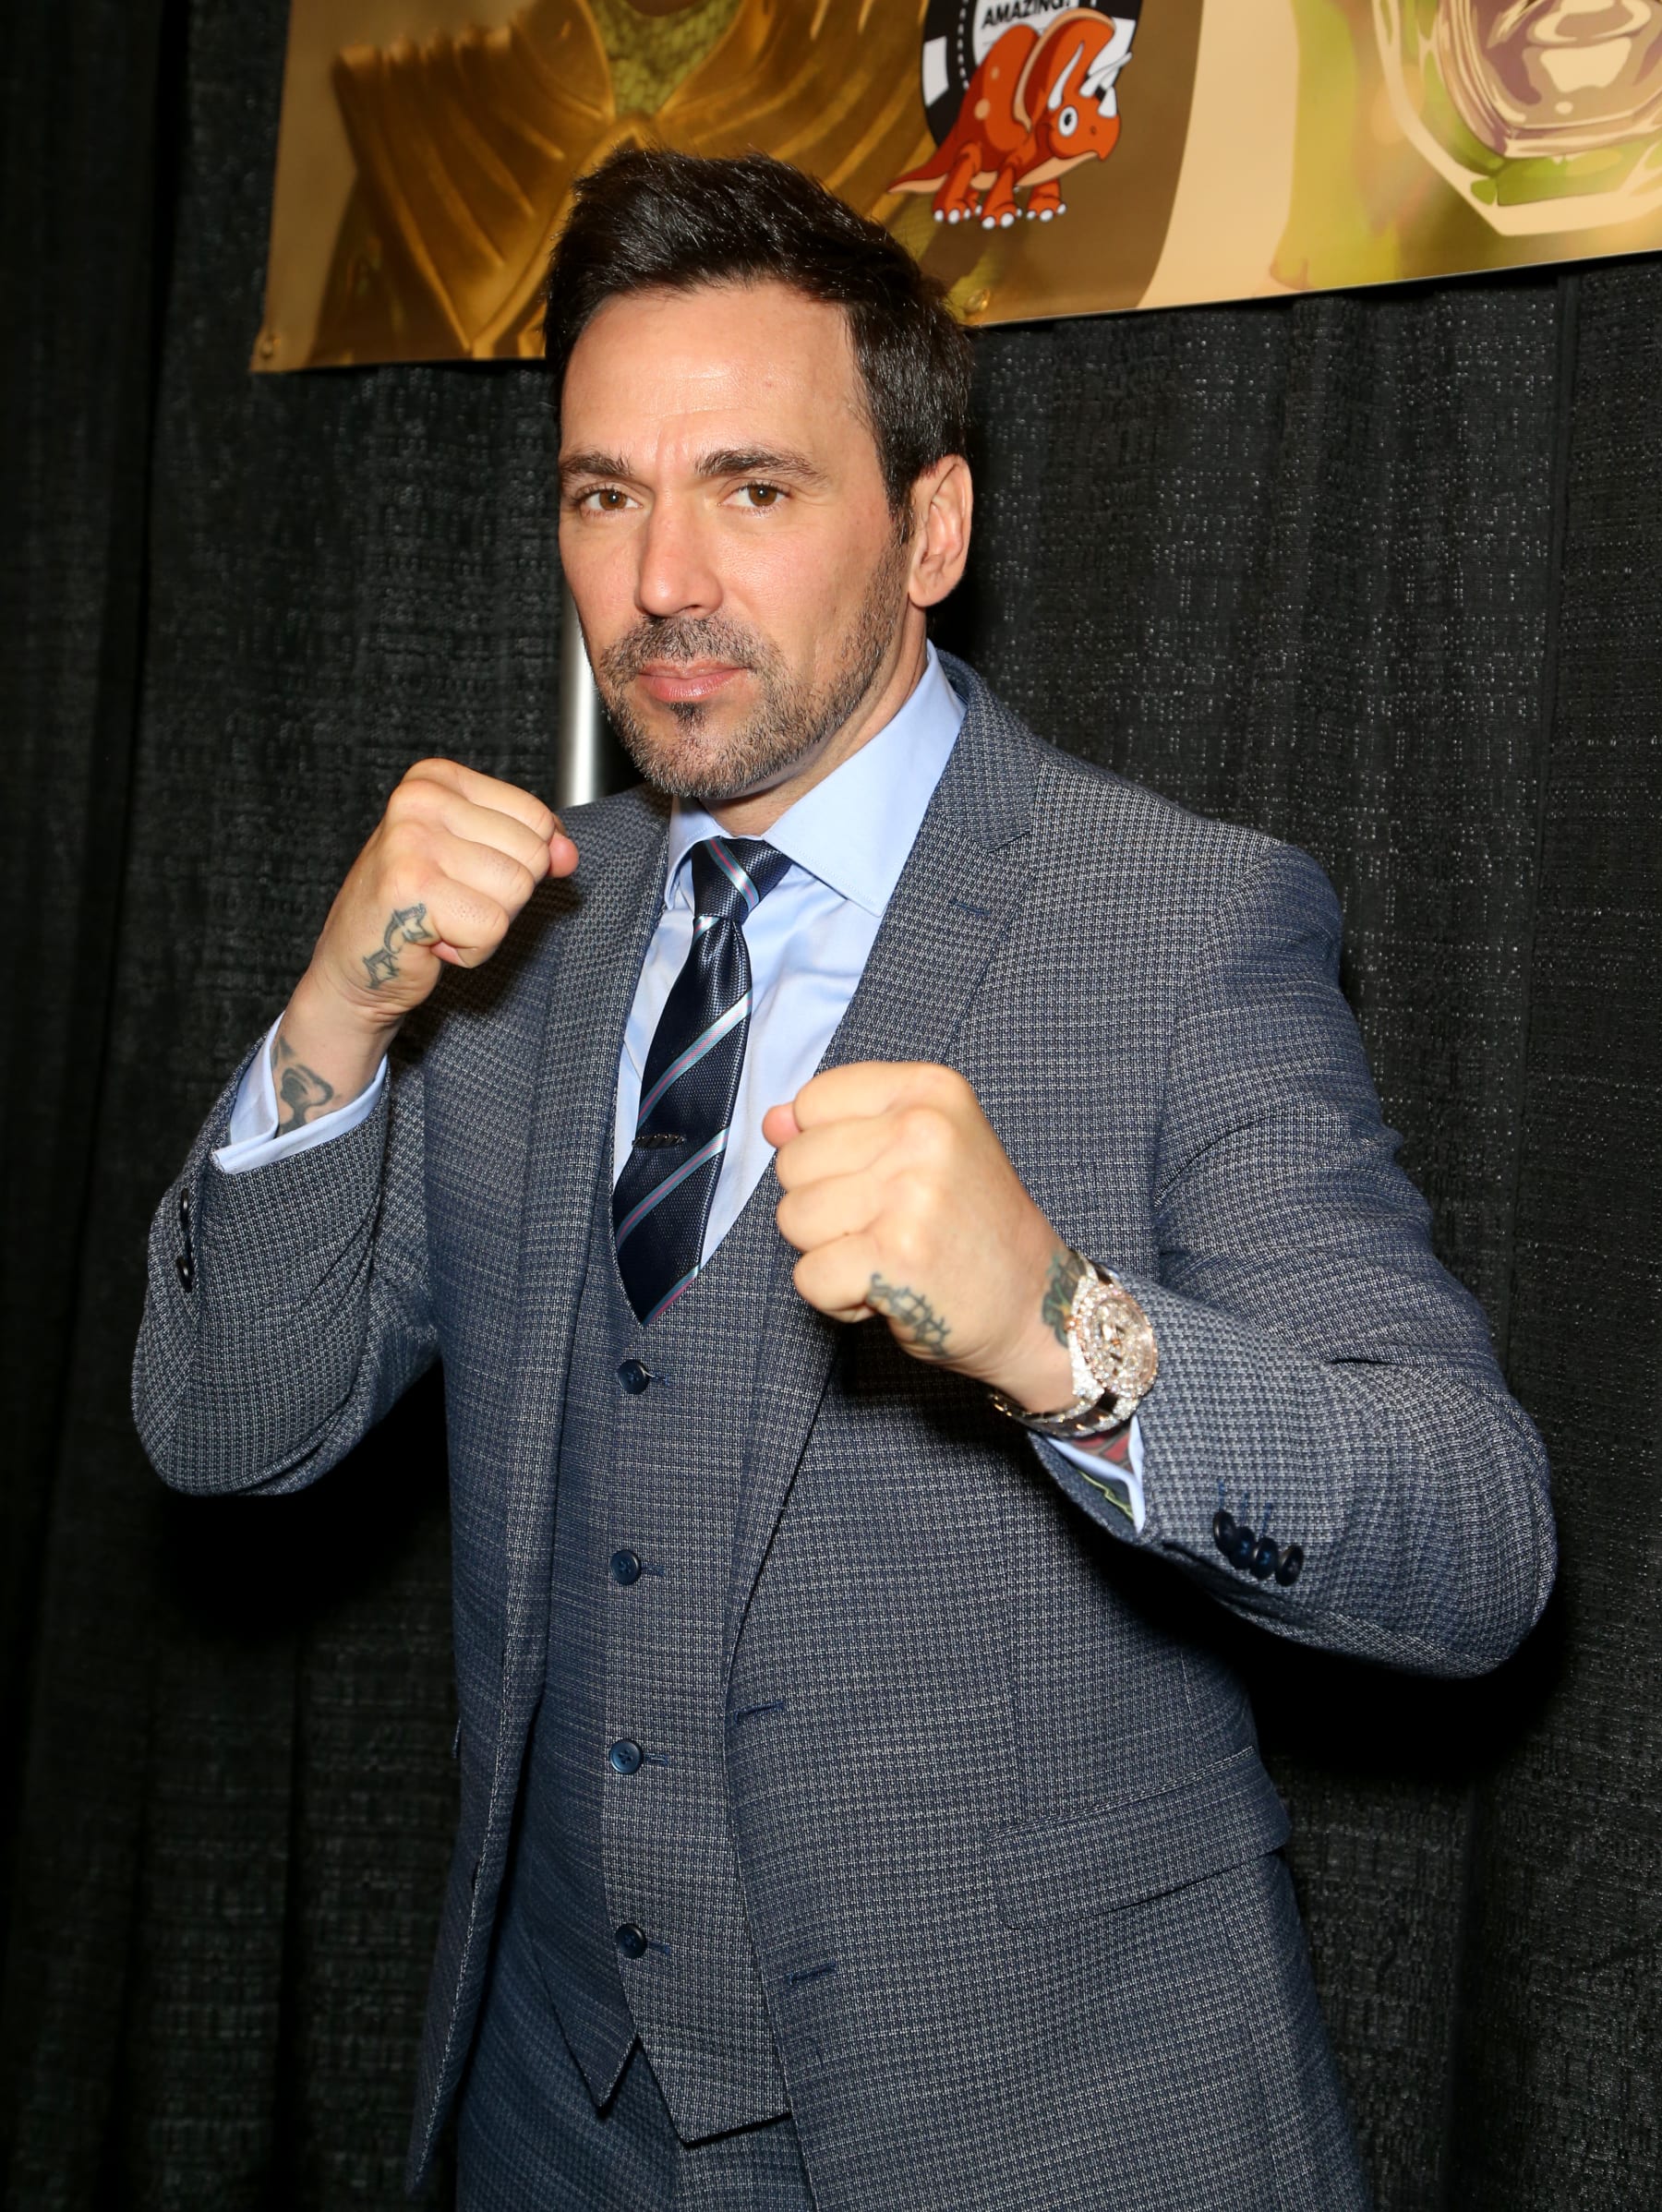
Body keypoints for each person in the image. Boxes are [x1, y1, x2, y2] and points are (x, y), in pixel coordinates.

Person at [134, 147, 1554, 2211]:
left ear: (930, 528)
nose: (660, 579)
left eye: (753, 488)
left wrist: (1064, 1333)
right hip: (557, 2123)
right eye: (603, 495)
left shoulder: (1175, 929)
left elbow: (1478, 1547)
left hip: (1033, 2138)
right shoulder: (514, 945)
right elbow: (222, 1430)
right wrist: (334, 1015)